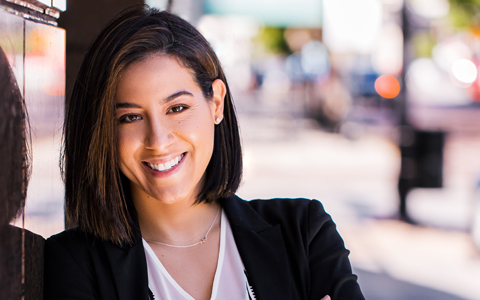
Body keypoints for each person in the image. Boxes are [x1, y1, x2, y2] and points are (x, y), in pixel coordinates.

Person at [44, 5, 365, 300]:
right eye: (130, 117)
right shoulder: (73, 263)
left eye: (177, 107)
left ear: (216, 102)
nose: (158, 139)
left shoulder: (304, 234)